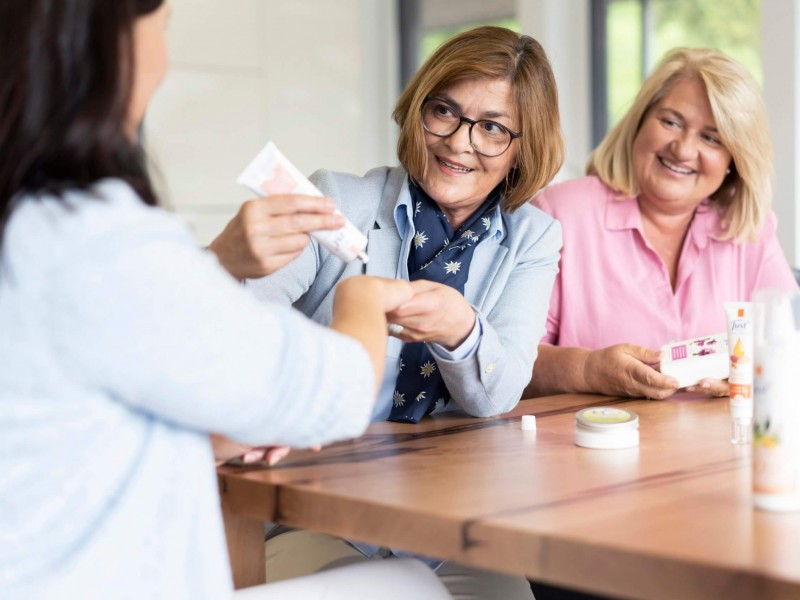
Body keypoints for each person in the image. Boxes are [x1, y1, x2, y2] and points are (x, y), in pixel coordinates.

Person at [0, 1, 454, 599]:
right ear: (111, 46)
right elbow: (336, 389)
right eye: (162, 30)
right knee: (411, 588)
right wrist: (365, 299)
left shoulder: (37, 227)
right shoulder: (97, 238)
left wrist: (236, 412)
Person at [211, 25, 564, 600]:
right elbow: (235, 327)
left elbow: (498, 394)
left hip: (445, 526)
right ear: (417, 109)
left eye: (493, 128)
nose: (459, 141)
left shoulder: (532, 238)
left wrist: (463, 331)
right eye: (443, 111)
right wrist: (229, 262)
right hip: (316, 514)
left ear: (524, 147)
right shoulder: (340, 201)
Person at [523, 47, 798, 401]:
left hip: (717, 450)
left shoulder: (749, 230)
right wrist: (588, 369)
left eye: (711, 138)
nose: (683, 150)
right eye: (671, 122)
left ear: (734, 160)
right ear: (640, 121)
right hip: (588, 447)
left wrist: (754, 374)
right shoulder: (558, 214)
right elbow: (500, 367)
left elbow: (792, 346)